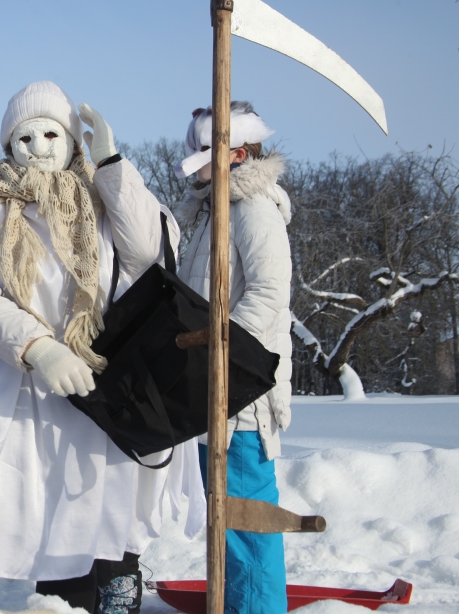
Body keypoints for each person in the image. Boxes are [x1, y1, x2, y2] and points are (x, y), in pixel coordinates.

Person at [0, 81, 205, 614]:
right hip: (4, 395)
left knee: (85, 528)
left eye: (52, 132)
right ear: (8, 147)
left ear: (73, 140)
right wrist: (36, 346)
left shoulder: (101, 200)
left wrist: (114, 167)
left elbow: (147, 250)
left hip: (94, 397)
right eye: (24, 137)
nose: (38, 146)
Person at [174, 102, 293, 614]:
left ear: (234, 153)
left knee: (246, 524)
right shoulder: (207, 211)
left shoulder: (253, 208)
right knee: (223, 523)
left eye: (201, 153)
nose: (191, 164)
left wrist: (220, 355)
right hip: (211, 394)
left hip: (241, 398)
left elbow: (267, 294)